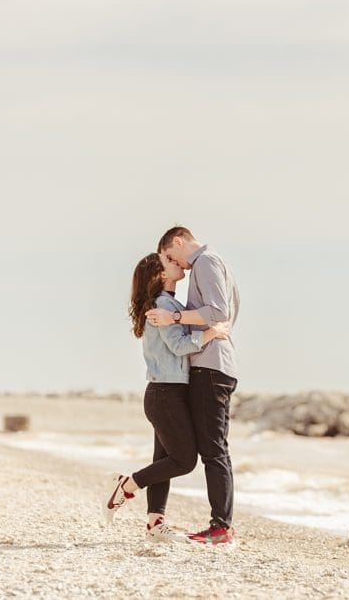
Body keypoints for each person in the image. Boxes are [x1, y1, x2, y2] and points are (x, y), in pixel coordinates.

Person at [103, 252, 230, 542]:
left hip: (168, 392)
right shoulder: (163, 305)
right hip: (165, 394)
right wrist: (212, 333)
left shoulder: (171, 305)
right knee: (184, 460)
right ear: (161, 275)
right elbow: (177, 345)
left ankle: (154, 523)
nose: (177, 262)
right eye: (170, 261)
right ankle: (126, 485)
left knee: (164, 457)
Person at [145, 226, 240, 546]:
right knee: (205, 448)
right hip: (212, 364)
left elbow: (218, 313)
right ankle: (163, 519)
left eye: (172, 257)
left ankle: (220, 528)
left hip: (211, 366)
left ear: (178, 242)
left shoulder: (206, 262)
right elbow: (223, 314)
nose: (179, 266)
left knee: (213, 450)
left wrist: (173, 319)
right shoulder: (213, 262)